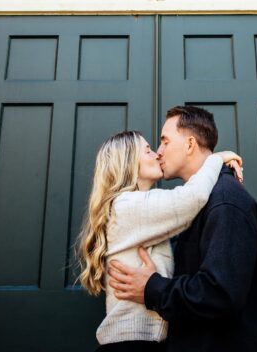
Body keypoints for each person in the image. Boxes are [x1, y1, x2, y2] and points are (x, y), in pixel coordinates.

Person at [108, 106, 257, 352]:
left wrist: (152, 288)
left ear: (190, 144)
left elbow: (220, 293)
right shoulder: (194, 207)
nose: (159, 152)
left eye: (164, 142)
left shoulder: (225, 201)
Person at [77, 128, 243, 351]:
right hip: (130, 344)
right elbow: (192, 198)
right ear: (128, 163)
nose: (157, 154)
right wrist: (214, 159)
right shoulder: (127, 205)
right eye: (147, 150)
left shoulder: (140, 211)